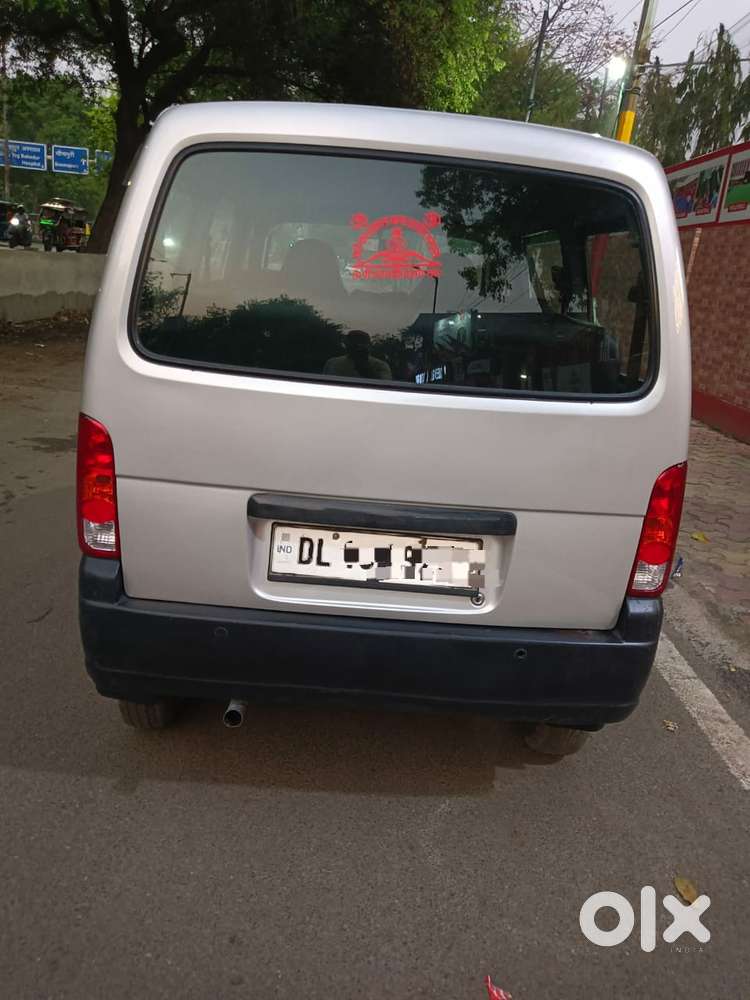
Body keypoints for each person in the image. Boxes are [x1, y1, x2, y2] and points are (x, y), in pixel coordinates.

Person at [323, 330, 392, 380]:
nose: (357, 348)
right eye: (354, 344)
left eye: (361, 345)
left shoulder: (380, 366)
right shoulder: (331, 363)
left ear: (368, 347)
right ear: (347, 345)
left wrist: (368, 371)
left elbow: (384, 387)